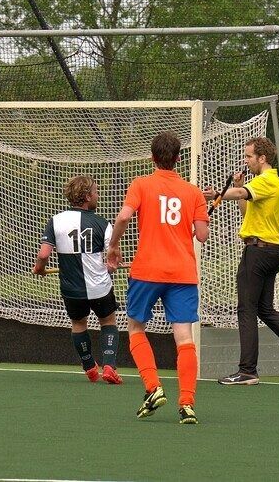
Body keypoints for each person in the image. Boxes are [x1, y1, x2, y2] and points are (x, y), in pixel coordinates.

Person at [203, 137, 279, 386]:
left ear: (262, 158)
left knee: (246, 309)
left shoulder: (267, 180)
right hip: (270, 252)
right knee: (265, 310)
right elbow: (246, 210)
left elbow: (240, 193)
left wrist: (220, 193)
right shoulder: (269, 184)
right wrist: (238, 189)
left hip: (257, 253)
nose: (246, 161)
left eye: (248, 157)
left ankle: (247, 371)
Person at [108, 131, 209, 425]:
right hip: (182, 274)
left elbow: (124, 217)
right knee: (184, 337)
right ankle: (187, 403)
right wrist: (200, 218)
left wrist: (113, 246)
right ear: (179, 158)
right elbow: (202, 235)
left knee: (136, 327)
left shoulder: (141, 184)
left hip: (147, 271)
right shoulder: (193, 192)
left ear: (152, 157)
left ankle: (153, 387)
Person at [32, 175, 123, 385]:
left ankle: (90, 367)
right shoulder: (103, 224)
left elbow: (44, 255)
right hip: (100, 288)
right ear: (87, 196)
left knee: (78, 323)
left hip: (72, 290)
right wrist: (112, 266)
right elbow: (114, 257)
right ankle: (109, 365)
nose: (98, 196)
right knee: (108, 321)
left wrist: (39, 269)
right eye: (96, 192)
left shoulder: (55, 221)